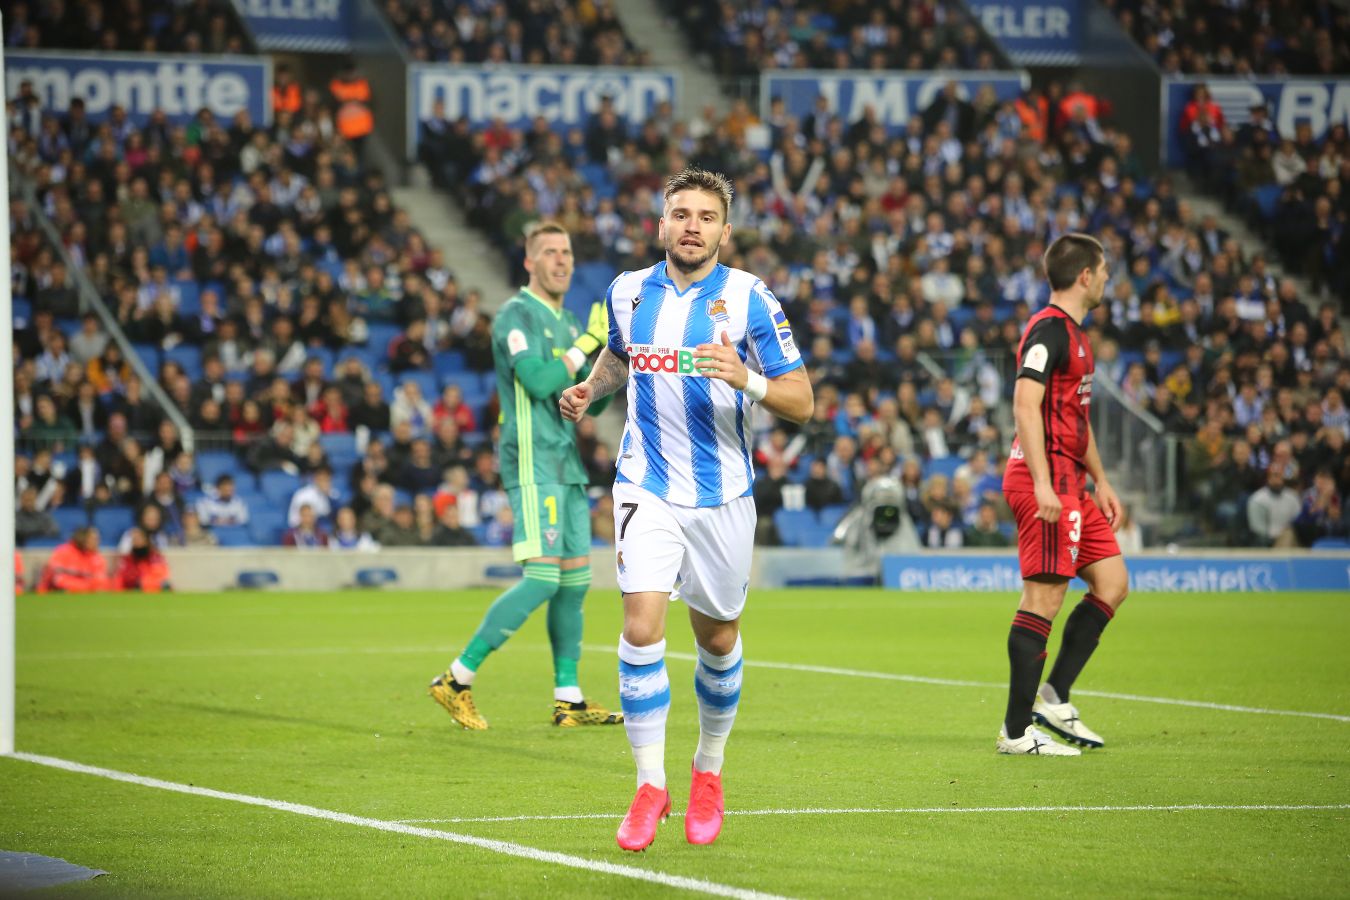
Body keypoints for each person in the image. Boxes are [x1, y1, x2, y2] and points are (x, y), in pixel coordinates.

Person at [560, 168, 814, 850]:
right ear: (662, 224)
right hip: (645, 483)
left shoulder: (751, 297)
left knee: (718, 640)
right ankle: (650, 785)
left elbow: (802, 401)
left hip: (723, 493)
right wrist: (590, 390)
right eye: (681, 214)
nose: (692, 226)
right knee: (640, 627)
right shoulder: (627, 291)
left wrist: (746, 378)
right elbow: (621, 357)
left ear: (724, 232)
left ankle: (708, 770)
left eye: (705, 216)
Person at [428, 222, 619, 732]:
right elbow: (536, 381)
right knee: (542, 577)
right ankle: (456, 678)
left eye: (567, 252)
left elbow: (587, 398)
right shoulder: (516, 315)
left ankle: (568, 699)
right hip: (532, 458)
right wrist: (587, 342)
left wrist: (604, 367)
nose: (562, 260)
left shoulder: (570, 320)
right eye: (550, 252)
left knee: (574, 582)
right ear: (529, 262)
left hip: (566, 461)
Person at [999, 233, 1128, 757]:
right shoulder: (1048, 330)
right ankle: (1015, 732)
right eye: (1104, 271)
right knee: (1044, 598)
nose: (1107, 279)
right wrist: (1043, 481)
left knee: (1112, 583)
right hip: (1047, 482)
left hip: (1073, 481)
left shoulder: (1076, 335)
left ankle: (1054, 695)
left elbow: (1075, 416)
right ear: (1085, 275)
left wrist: (1102, 479)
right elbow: (1024, 405)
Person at [38, 526, 110, 593]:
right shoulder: (64, 551)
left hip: (84, 594)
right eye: (93, 539)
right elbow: (57, 579)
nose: (97, 542)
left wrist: (83, 586)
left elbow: (101, 582)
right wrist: (87, 586)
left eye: (98, 539)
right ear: (82, 539)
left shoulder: (96, 557)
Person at [114, 527, 171, 592]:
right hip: (131, 591)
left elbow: (161, 577)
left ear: (146, 540)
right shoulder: (127, 559)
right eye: (134, 539)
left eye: (139, 539)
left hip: (151, 590)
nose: (137, 542)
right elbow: (122, 577)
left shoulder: (155, 557)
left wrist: (143, 583)